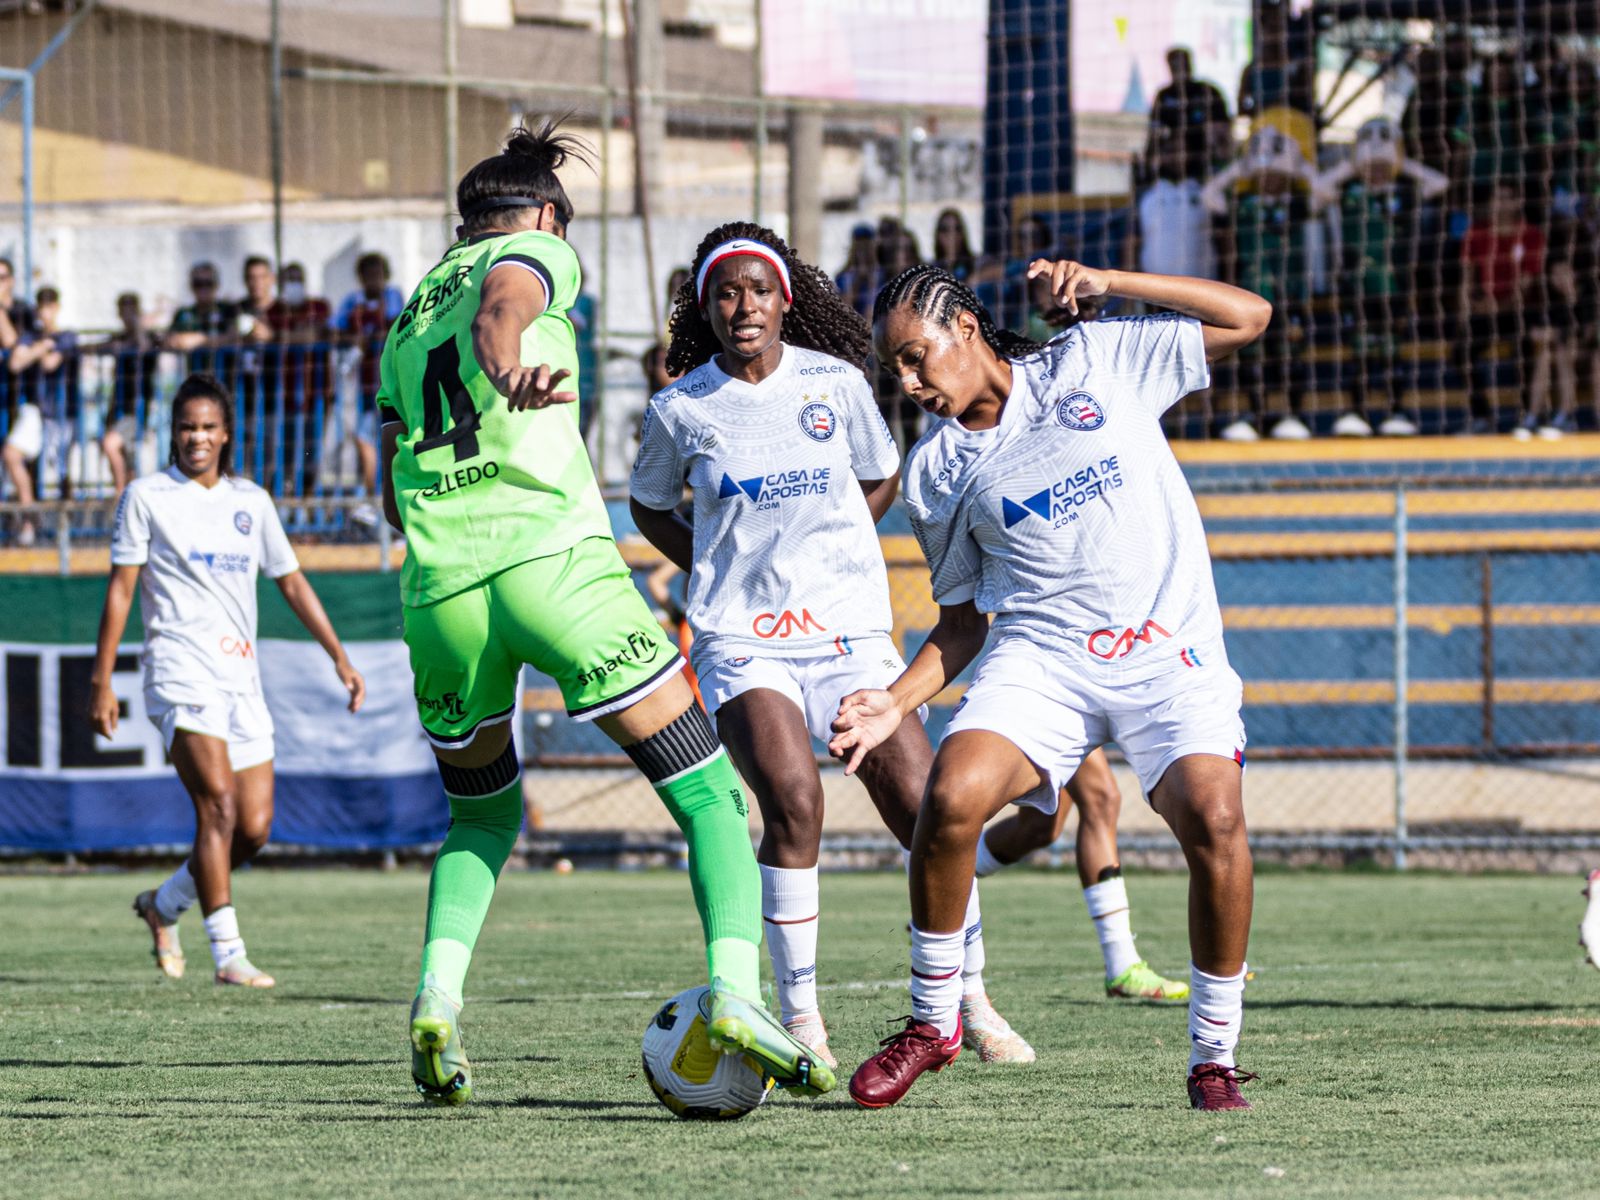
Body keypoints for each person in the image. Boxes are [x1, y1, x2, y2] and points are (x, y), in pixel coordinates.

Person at [377, 121, 836, 1106]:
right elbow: (506, 306)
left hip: (440, 591)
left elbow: (389, 482)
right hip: (552, 569)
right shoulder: (532, 251)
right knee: (710, 796)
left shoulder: (407, 320)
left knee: (482, 815)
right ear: (542, 215)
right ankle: (735, 994)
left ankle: (437, 1004)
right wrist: (505, 365)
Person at [830, 259, 1268, 1111]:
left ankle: (1213, 1059)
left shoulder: (1092, 359)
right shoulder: (937, 473)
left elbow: (1249, 314)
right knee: (950, 797)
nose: (912, 381)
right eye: (898, 371)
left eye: (918, 356)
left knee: (1215, 817)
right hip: (1045, 661)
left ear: (965, 328)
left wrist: (1112, 280)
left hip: (1165, 651)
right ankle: (933, 1022)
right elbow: (962, 627)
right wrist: (895, 700)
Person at [631, 223, 1032, 1070]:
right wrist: (715, 563)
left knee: (927, 808)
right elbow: (648, 505)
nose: (744, 307)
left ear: (786, 298)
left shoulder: (839, 384)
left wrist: (841, 540)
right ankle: (801, 1020)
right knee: (794, 800)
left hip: (848, 631)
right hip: (744, 639)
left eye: (758, 290)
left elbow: (879, 472)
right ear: (706, 306)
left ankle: (971, 997)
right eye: (726, 293)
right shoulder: (679, 406)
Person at [89, 373, 365, 988]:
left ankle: (163, 906)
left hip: (241, 677)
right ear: (173, 432)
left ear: (227, 434)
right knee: (215, 804)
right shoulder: (146, 496)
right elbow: (121, 590)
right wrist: (100, 680)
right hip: (178, 669)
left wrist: (339, 656)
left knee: (254, 826)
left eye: (209, 427)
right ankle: (227, 953)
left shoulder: (252, 501)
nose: (197, 437)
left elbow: (291, 581)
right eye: (187, 426)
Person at [975, 749, 1188, 1001]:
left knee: (1040, 827)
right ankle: (1122, 964)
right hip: (1051, 708)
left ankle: (938, 883)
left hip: (1076, 709)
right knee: (1101, 797)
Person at [334, 253, 406, 527]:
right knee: (366, 439)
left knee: (384, 440)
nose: (373, 279)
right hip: (366, 389)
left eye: (378, 273)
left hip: (392, 385)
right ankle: (373, 500)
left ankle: (381, 500)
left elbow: (394, 325)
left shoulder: (394, 296)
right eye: (368, 274)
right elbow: (334, 330)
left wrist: (375, 336)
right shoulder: (352, 302)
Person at [3, 287, 79, 546]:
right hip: (37, 411)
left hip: (61, 415)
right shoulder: (34, 336)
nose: (45, 313)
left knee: (62, 473)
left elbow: (50, 363)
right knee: (12, 454)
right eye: (41, 307)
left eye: (49, 307)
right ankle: (29, 518)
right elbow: (15, 363)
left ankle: (65, 527)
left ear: (57, 307)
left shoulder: (67, 336)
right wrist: (44, 345)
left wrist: (38, 350)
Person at [98, 292, 161, 497]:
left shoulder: (148, 337)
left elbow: (147, 345)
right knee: (125, 455)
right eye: (123, 310)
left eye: (131, 310)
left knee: (111, 444)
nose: (127, 315)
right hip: (117, 406)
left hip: (137, 408)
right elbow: (100, 346)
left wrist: (142, 326)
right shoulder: (119, 338)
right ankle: (128, 495)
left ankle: (120, 493)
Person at [1146, 48, 1232, 184]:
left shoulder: (1208, 91)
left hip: (1204, 152)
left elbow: (1222, 128)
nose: (1179, 69)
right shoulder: (1164, 96)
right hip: (1174, 155)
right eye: (1174, 65)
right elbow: (1154, 132)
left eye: (1183, 64)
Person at [836, 223, 883, 318]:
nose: (863, 250)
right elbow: (844, 304)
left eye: (867, 245)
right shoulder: (844, 276)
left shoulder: (882, 274)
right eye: (859, 245)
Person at [932, 208, 977, 282]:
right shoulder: (931, 268)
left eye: (957, 229)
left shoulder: (976, 262)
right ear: (938, 235)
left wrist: (974, 278)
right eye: (945, 229)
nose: (952, 235)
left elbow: (1000, 269)